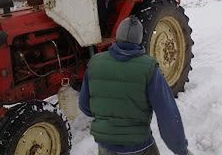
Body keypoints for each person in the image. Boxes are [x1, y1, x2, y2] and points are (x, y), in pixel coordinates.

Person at [79, 15, 191, 155]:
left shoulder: (94, 63)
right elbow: (167, 114)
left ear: (117, 36)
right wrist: (180, 150)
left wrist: (107, 117)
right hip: (139, 147)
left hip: (105, 146)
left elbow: (84, 105)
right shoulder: (149, 68)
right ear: (139, 40)